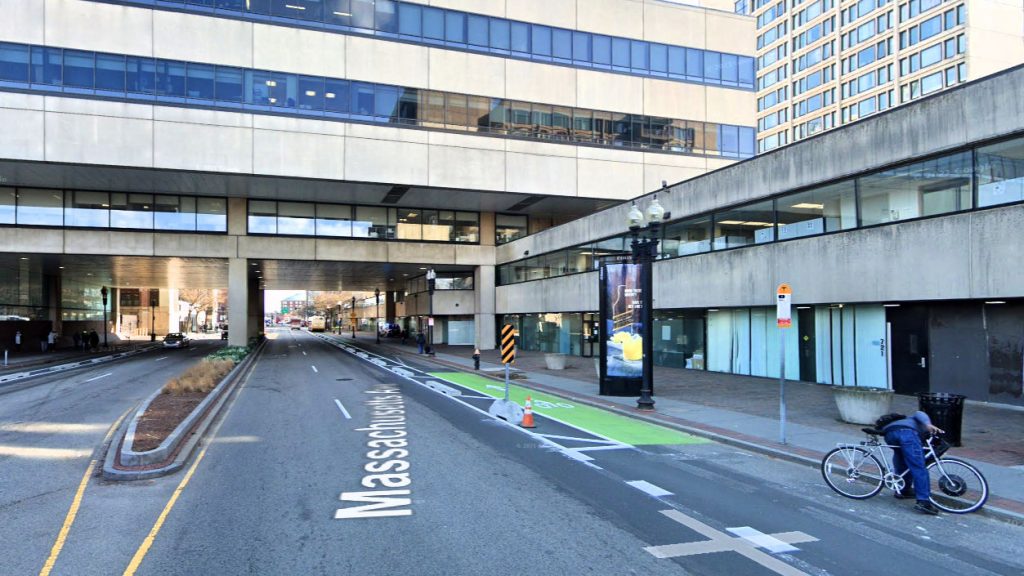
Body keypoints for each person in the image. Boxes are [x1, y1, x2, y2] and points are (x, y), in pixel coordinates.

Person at [882, 411, 944, 515]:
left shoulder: (900, 423)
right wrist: (928, 424)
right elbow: (919, 413)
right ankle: (923, 501)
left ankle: (903, 489)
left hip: (889, 435)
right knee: (919, 467)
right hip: (907, 434)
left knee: (901, 458)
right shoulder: (913, 421)